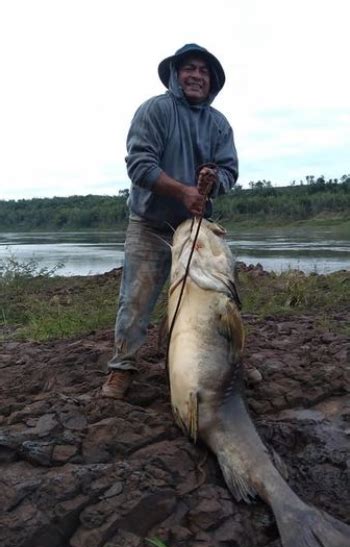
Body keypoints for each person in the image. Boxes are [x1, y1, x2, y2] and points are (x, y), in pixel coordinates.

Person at [102, 42, 239, 399]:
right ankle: (122, 367)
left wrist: (213, 180)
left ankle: (229, 360)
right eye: (189, 69)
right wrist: (182, 191)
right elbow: (140, 165)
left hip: (196, 230)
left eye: (204, 71)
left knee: (217, 301)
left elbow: (229, 171)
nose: (197, 76)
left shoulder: (219, 124)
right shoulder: (155, 111)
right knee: (136, 300)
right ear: (176, 76)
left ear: (212, 81)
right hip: (150, 224)